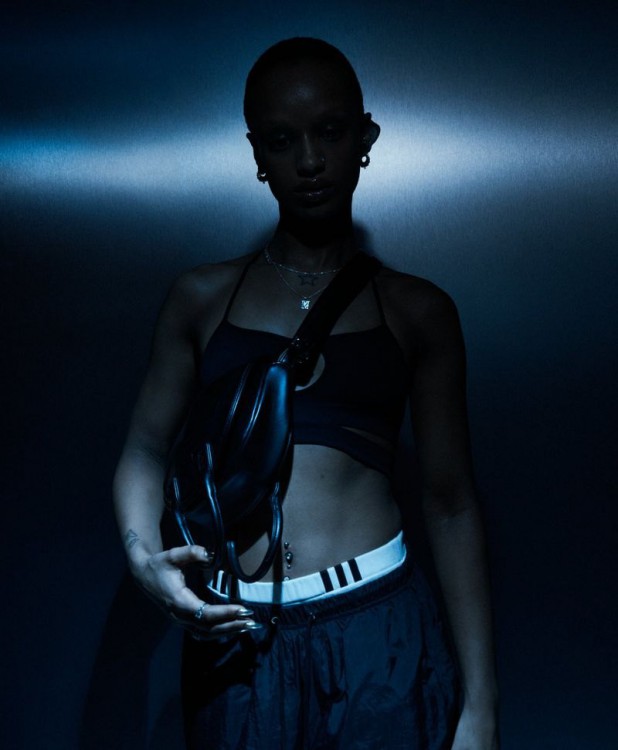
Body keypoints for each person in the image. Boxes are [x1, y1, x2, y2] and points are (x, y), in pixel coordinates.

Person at [113, 37, 499, 750]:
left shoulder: (417, 310)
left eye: (330, 131)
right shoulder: (201, 298)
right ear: (257, 154)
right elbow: (143, 448)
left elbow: (450, 503)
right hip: (238, 640)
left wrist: (481, 706)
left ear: (365, 138)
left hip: (380, 635)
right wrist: (145, 564)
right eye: (284, 140)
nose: (311, 160)